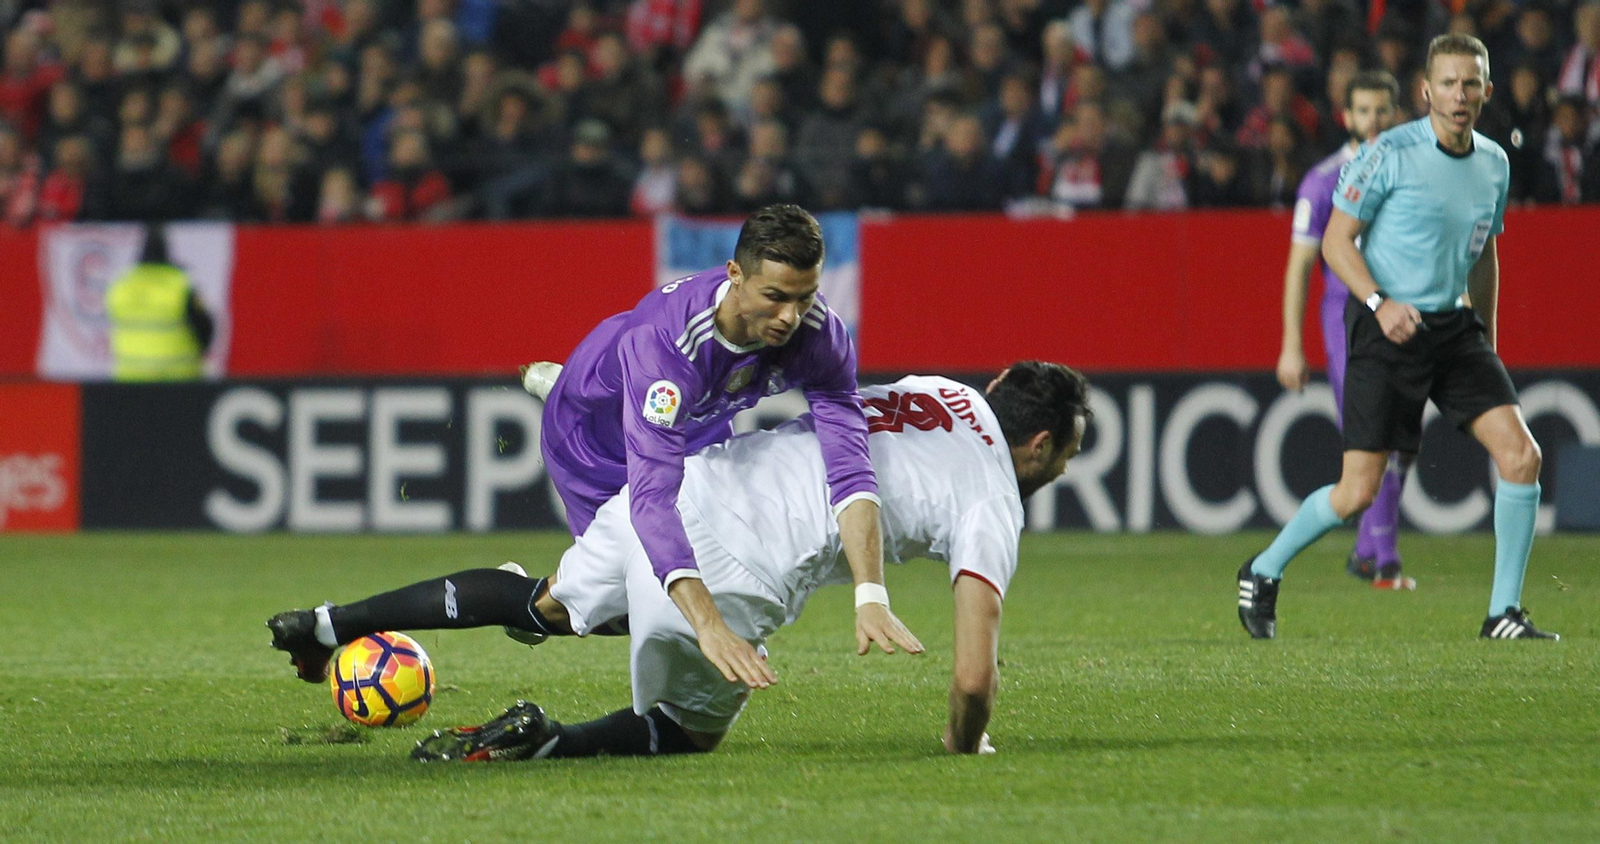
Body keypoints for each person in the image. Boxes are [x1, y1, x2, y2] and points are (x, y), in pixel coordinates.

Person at [266, 362, 1092, 758]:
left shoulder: (941, 389)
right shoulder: (994, 494)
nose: (1056, 474)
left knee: (540, 606)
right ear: (1042, 444)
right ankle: (537, 742)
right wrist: (962, 743)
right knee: (682, 733)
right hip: (738, 568)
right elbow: (975, 680)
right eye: (1063, 459)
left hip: (679, 488)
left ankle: (330, 622)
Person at [521, 204, 920, 688]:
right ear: (735, 274)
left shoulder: (819, 335)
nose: (790, 316)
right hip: (595, 442)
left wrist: (870, 592)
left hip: (698, 425)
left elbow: (850, 470)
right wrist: (711, 628)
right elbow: (652, 504)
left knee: (686, 590)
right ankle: (515, 598)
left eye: (805, 297)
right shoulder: (668, 338)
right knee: (627, 601)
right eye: (775, 296)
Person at [1239, 35, 1558, 641]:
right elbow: (1335, 242)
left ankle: (1502, 614)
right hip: (1385, 329)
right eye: (1448, 83)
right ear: (1426, 91)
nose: (1459, 95)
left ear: (1488, 91)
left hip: (1453, 328)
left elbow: (1486, 250)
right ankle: (1263, 567)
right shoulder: (1388, 154)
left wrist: (1485, 332)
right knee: (1358, 490)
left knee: (1522, 457)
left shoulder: (1494, 162)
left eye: (1471, 84)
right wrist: (1380, 304)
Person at [1275, 70, 1415, 590]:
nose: (1373, 121)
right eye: (1363, 112)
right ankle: (1385, 562)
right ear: (1346, 116)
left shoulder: (1410, 171)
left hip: (1402, 312)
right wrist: (1292, 345)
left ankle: (1365, 552)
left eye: (1382, 111)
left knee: (1400, 438)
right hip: (1347, 318)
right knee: (1372, 436)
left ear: (1396, 112)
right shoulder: (1323, 180)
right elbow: (1300, 267)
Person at [105, 225, 214, 381]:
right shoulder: (180, 285)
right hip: (179, 381)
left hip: (129, 381)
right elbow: (206, 330)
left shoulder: (119, 286)